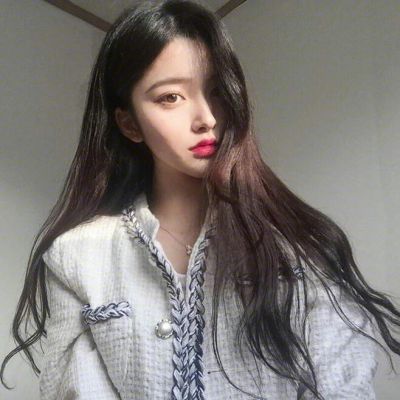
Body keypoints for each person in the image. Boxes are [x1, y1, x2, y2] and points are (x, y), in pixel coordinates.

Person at [1, 0, 399, 399]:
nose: (206, 117)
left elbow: (342, 385)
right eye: (171, 97)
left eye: (216, 91)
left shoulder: (297, 246)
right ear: (129, 123)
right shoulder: (77, 255)